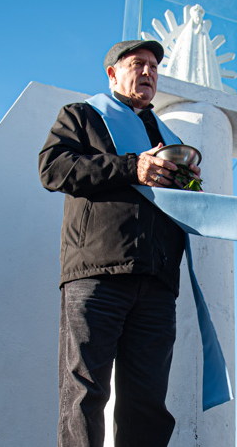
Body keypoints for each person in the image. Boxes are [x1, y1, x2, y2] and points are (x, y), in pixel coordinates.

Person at [39, 40, 201, 446]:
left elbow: (175, 205)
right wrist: (133, 166)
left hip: (157, 283)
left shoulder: (168, 137)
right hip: (97, 273)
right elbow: (53, 168)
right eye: (137, 64)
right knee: (85, 392)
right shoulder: (81, 116)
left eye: (154, 67)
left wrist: (191, 183)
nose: (148, 72)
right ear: (112, 74)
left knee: (147, 406)